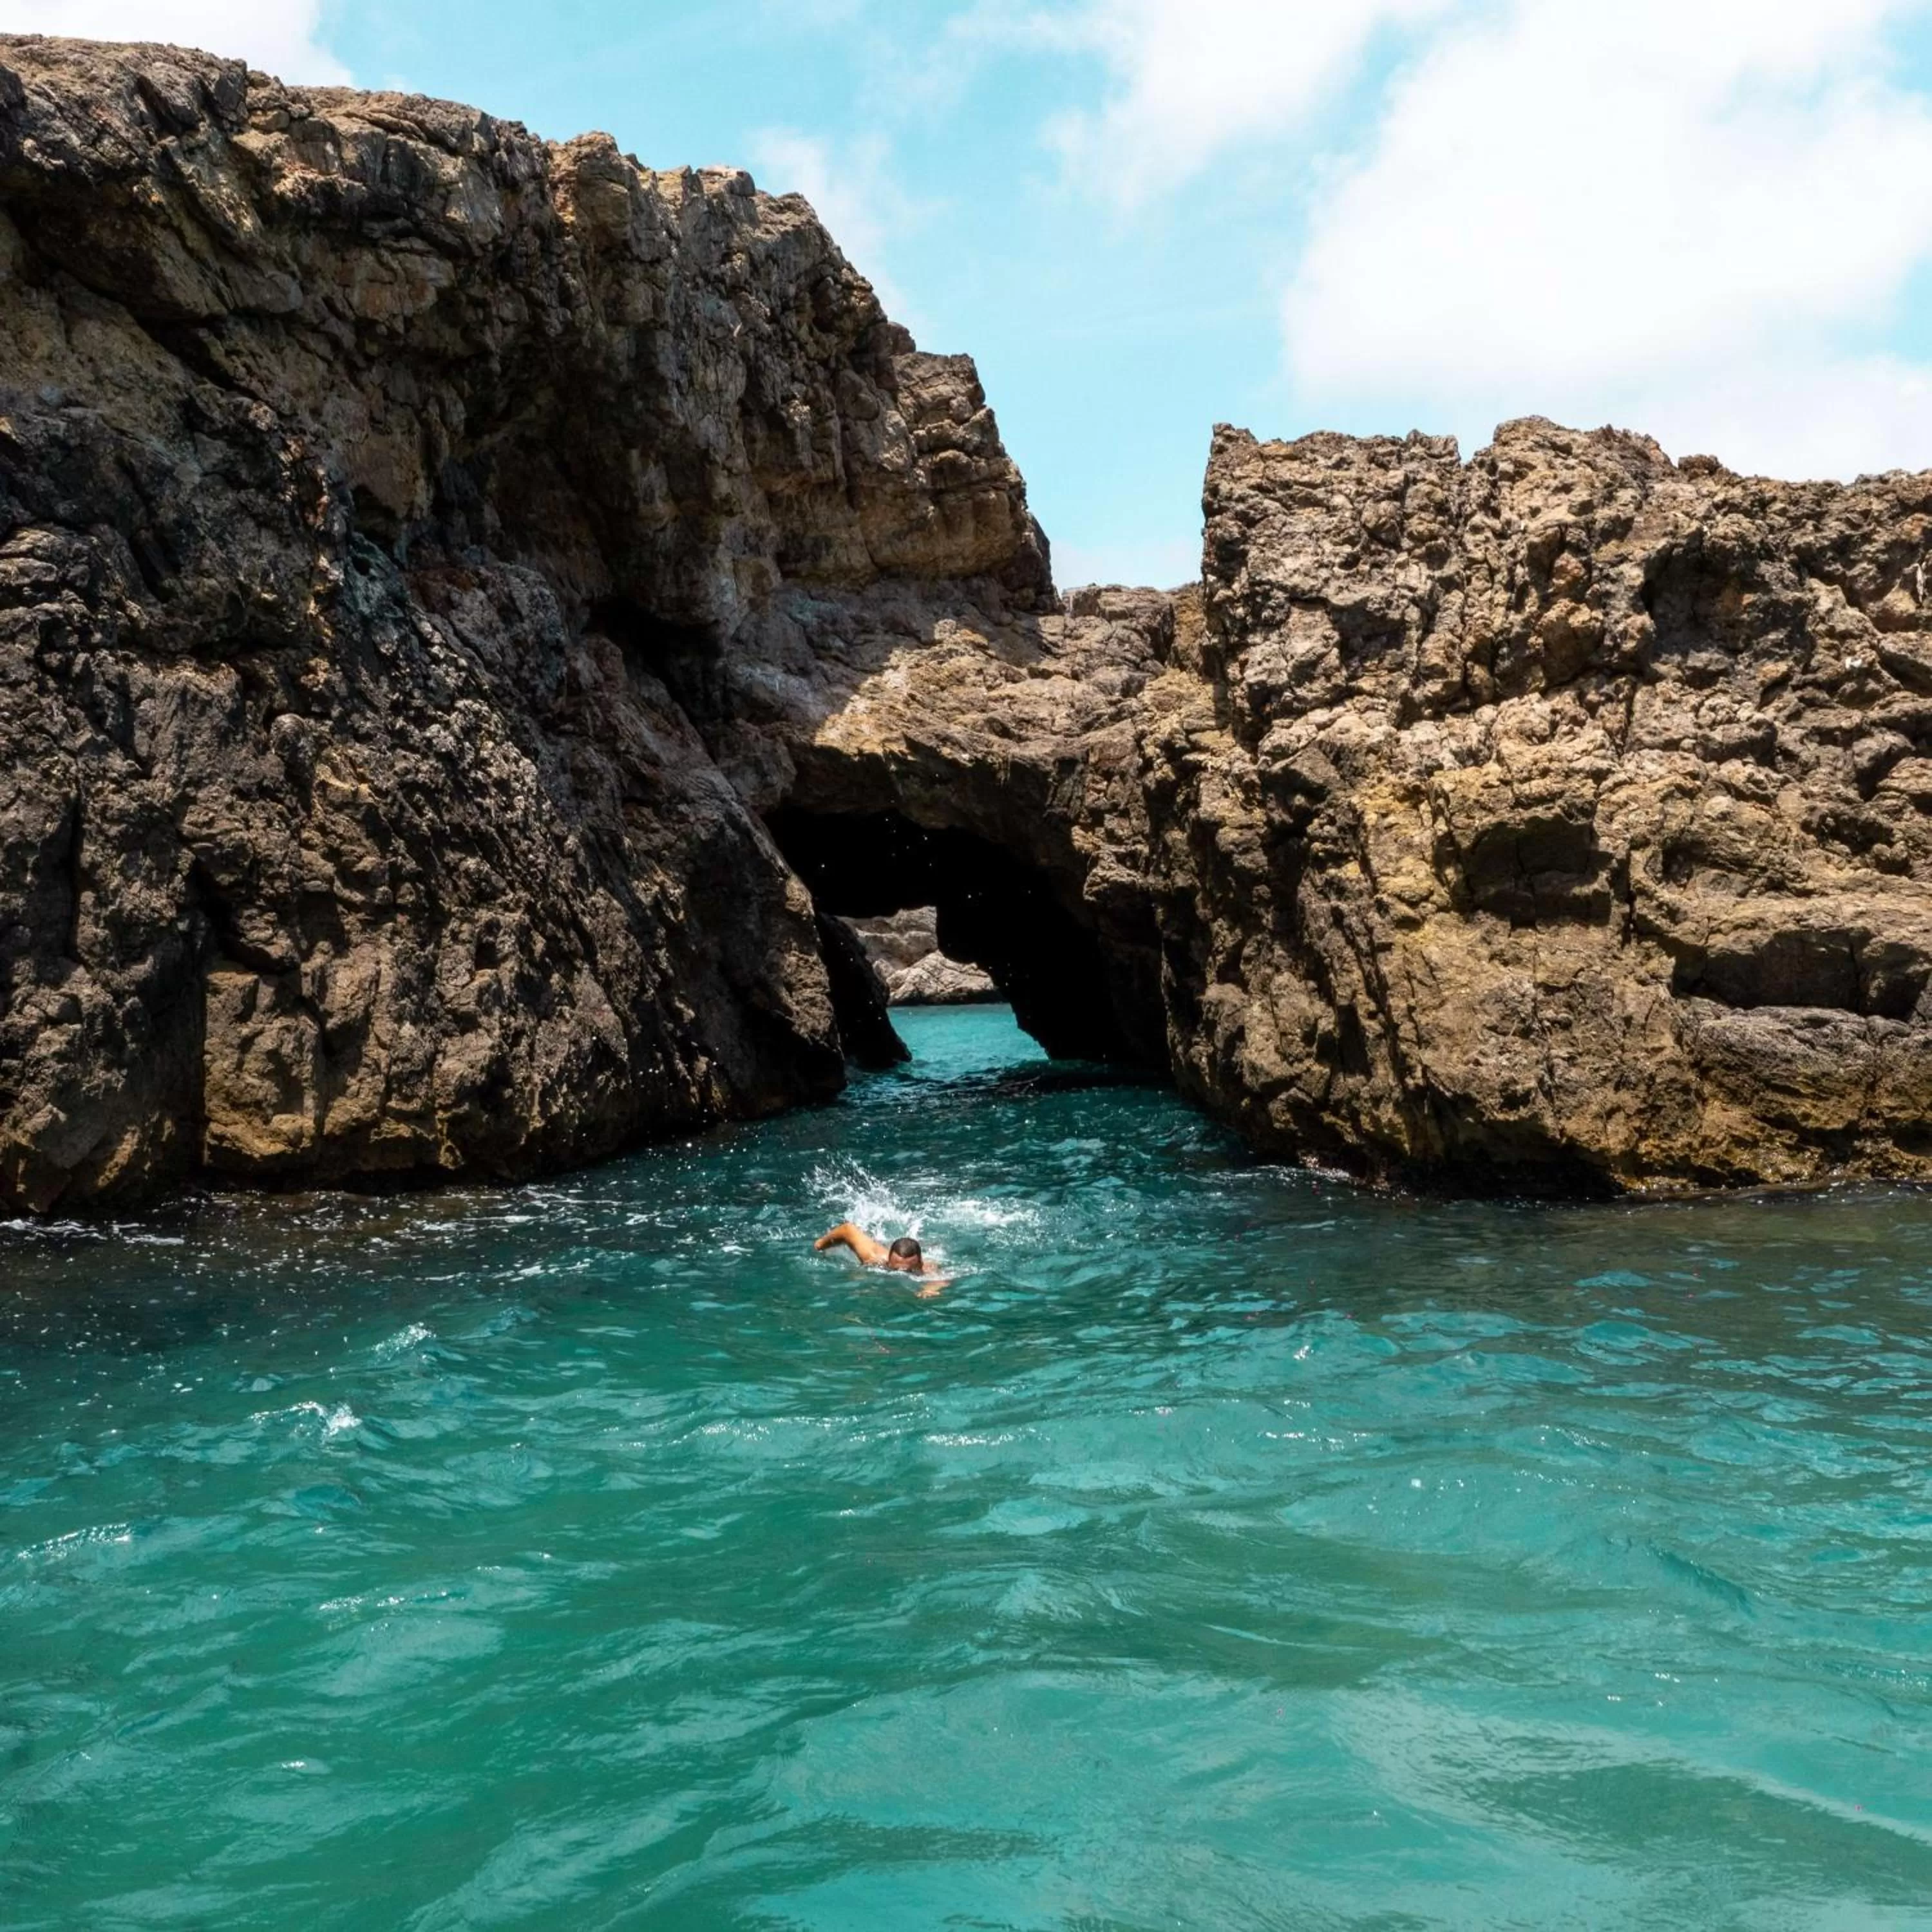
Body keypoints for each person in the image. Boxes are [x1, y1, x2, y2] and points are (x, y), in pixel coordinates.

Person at [813, 1222, 949, 1296]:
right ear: (889, 1260)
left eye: (908, 1270)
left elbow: (941, 1279)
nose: (900, 1272)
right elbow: (848, 1230)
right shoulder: (874, 1258)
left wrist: (930, 1289)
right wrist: (821, 1244)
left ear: (920, 1263)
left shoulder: (926, 1268)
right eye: (895, 1268)